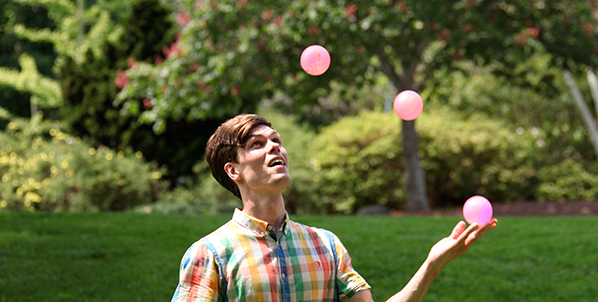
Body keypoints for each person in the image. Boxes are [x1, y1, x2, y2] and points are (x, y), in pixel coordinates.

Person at [171, 114, 497, 302]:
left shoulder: (325, 244)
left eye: (276, 140)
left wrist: (432, 264)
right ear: (233, 170)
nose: (275, 147)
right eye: (258, 144)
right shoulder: (211, 253)